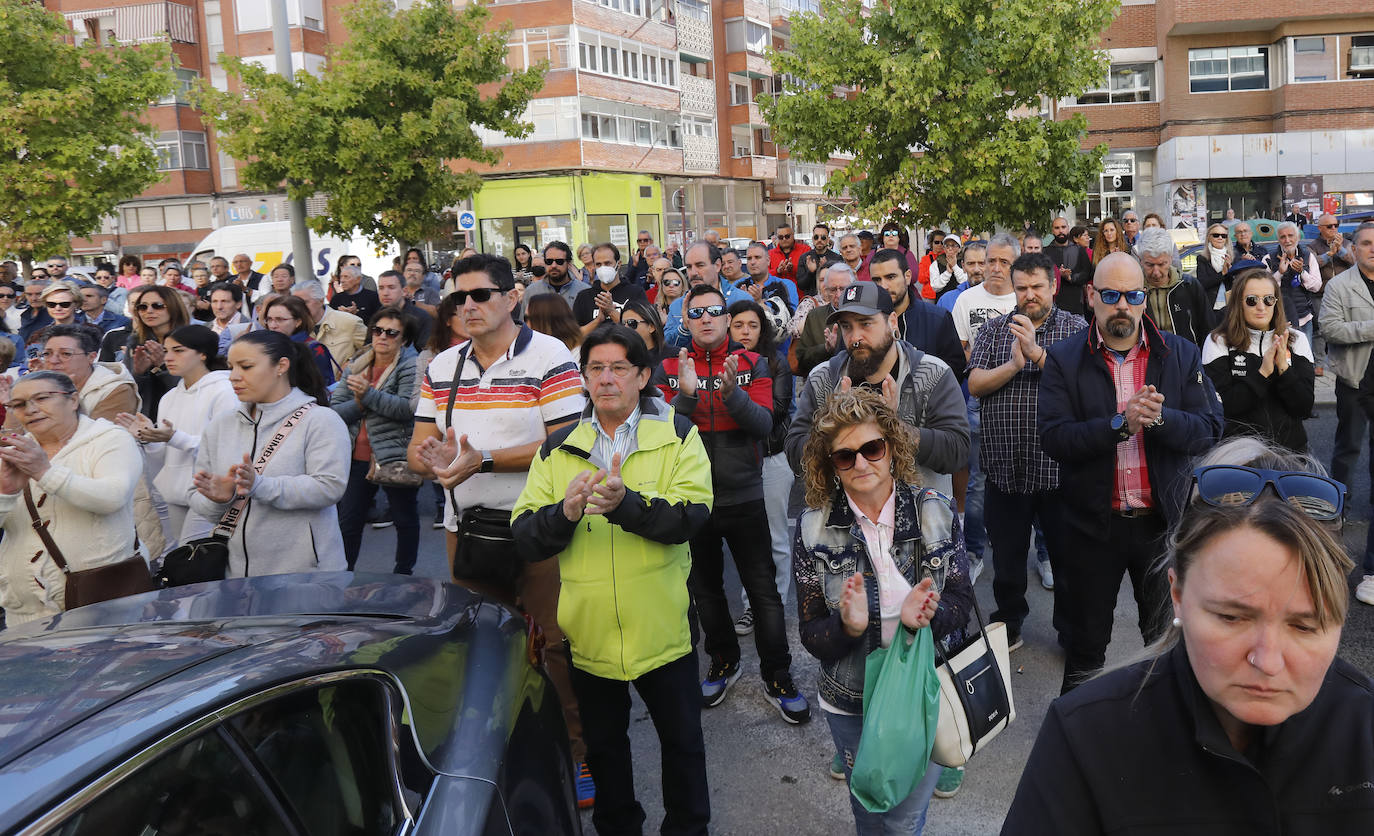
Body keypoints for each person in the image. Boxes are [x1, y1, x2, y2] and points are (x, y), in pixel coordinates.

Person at [1002, 440, 1371, 834]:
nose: (1267, 660)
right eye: (1232, 617)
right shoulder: (1086, 739)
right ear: (1177, 595)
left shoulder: (1363, 728)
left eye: (1304, 626)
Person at [513, 323, 713, 836]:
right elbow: (526, 534)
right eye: (596, 368)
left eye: (619, 368)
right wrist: (565, 513)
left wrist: (627, 506)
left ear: (643, 375)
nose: (606, 379)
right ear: (583, 378)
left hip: (663, 629)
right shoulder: (558, 449)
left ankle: (688, 828)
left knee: (684, 745)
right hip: (591, 634)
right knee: (605, 750)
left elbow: (690, 518)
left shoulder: (678, 435)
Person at [405, 252, 592, 803]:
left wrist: (481, 459)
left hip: (539, 524)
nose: (467, 306)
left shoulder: (550, 353)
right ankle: (497, 750)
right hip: (466, 524)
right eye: (457, 297)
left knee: (554, 643)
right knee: (481, 642)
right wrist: (433, 460)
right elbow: (420, 446)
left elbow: (566, 438)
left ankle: (577, 753)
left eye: (480, 294)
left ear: (512, 297)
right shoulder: (444, 367)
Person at [1038, 252, 1224, 693]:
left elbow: (1210, 429)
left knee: (1165, 644)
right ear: (1091, 296)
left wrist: (1161, 421)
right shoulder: (1064, 359)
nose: (1122, 304)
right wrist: (1120, 426)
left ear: (1145, 299)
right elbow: (1055, 439)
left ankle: (1167, 739)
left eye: (1133, 294)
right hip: (1091, 528)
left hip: (1162, 527)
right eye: (1110, 294)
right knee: (1085, 649)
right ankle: (1076, 746)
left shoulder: (1179, 353)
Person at [794, 387, 973, 835]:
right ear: (830, 466)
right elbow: (811, 631)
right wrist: (846, 627)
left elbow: (962, 602)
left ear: (891, 448)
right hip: (852, 700)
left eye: (871, 448)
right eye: (844, 456)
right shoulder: (813, 527)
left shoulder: (937, 511)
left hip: (923, 691)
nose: (861, 464)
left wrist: (926, 613)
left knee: (906, 817)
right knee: (871, 811)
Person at [651, 283, 810, 724]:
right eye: (696, 312)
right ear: (685, 320)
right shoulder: (666, 365)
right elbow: (666, 434)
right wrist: (684, 395)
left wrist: (729, 392)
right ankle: (723, 661)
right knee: (705, 590)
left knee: (763, 592)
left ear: (726, 318)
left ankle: (778, 674)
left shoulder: (752, 361)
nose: (705, 319)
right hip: (691, 498)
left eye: (714, 311)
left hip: (744, 494)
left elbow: (762, 424)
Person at [968, 252, 1086, 650]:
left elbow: (1085, 381)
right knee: (1007, 557)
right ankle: (1010, 622)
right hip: (1005, 465)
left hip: (1058, 469)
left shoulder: (1076, 328)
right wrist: (1015, 365)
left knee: (1067, 558)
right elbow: (975, 384)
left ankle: (1070, 629)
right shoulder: (994, 331)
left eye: (1037, 286)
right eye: (1022, 288)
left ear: (1054, 285)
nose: (1030, 295)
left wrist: (1037, 354)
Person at [189, 330, 348, 576]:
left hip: (305, 576)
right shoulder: (221, 424)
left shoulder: (321, 420)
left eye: (247, 366)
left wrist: (260, 485)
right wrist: (218, 498)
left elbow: (329, 487)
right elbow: (198, 496)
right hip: (234, 576)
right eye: (231, 367)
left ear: (281, 366)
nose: (233, 377)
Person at [787, 281, 969, 495]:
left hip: (920, 520)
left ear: (892, 322)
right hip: (843, 522)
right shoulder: (823, 379)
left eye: (865, 324)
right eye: (847, 326)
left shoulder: (933, 374)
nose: (855, 337)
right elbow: (794, 451)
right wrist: (833, 430)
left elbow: (957, 450)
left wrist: (896, 428)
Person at [0, 371, 144, 625]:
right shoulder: (13, 451)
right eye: (19, 404)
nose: (31, 409)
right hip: (24, 609)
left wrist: (45, 472)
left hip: (100, 600)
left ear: (73, 399)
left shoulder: (110, 439)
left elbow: (112, 498)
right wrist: (6, 493)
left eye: (42, 398)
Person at [118, 325, 237, 545]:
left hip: (209, 492)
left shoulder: (225, 390)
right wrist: (148, 437)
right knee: (177, 560)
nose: (168, 357)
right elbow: (163, 457)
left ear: (203, 354)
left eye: (178, 350)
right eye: (166, 350)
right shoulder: (170, 396)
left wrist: (173, 437)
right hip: (172, 492)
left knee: (192, 560)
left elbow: (226, 449)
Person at [330, 308, 421, 574]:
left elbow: (406, 408)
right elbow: (335, 411)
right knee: (349, 522)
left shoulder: (411, 365)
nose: (382, 337)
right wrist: (362, 403)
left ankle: (405, 576)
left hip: (395, 454)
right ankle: (343, 576)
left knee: (404, 519)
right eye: (378, 330)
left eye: (392, 333)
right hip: (356, 456)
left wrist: (367, 395)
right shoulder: (358, 363)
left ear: (404, 339)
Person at [724, 299, 793, 638]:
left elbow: (776, 411)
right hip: (735, 462)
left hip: (771, 460)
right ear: (728, 326)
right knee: (747, 542)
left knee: (776, 538)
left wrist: (734, 403)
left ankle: (774, 604)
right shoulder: (719, 363)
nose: (746, 332)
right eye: (739, 325)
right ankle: (752, 606)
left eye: (752, 325)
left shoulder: (776, 362)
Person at [1317, 221, 1374, 605]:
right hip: (1355, 382)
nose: (1372, 249)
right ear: (1353, 249)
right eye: (1366, 243)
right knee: (1347, 450)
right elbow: (1330, 328)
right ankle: (1337, 517)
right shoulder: (1340, 285)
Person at [1202, 266, 1314, 451]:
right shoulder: (1218, 341)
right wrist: (1262, 374)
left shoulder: (1296, 339)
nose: (1261, 307)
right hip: (1239, 456)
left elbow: (1303, 408)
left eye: (1269, 299)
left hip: (1290, 453)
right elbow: (1222, 408)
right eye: (1252, 300)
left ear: (1276, 302)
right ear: (1239, 303)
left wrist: (1283, 369)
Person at [868, 247, 966, 380]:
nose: (884, 286)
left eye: (891, 277)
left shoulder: (937, 319)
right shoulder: (862, 322)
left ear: (907, 277)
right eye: (877, 280)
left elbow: (954, 372)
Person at [113, 285, 190, 421]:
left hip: (181, 416)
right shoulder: (136, 341)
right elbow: (129, 389)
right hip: (145, 417)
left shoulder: (190, 340)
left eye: (158, 306)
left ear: (173, 307)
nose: (149, 311)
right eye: (143, 307)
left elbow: (190, 388)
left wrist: (163, 366)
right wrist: (139, 373)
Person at [37, 324, 138, 423]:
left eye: (66, 354)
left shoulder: (117, 390)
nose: (53, 361)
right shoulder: (38, 386)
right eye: (47, 354)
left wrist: (62, 398)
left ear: (91, 357)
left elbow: (95, 437)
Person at [1138, 227, 1213, 347]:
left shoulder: (1189, 286)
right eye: (1149, 265)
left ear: (1171, 258)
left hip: (1186, 360)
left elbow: (1208, 330)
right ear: (1140, 260)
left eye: (1162, 264)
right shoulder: (1133, 291)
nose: (1156, 272)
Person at [1311, 214, 1356, 377]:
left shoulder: (1347, 243)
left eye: (1336, 225)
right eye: (1329, 226)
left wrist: (1340, 250)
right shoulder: (1313, 245)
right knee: (1320, 329)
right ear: (1320, 228)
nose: (1334, 229)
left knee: (1347, 326)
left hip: (1345, 293)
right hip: (1321, 294)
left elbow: (1354, 261)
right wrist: (1329, 253)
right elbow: (1313, 263)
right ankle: (1319, 364)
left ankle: (1346, 361)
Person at [790, 263, 854, 376]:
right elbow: (802, 358)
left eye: (843, 289)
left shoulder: (863, 315)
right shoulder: (815, 316)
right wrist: (825, 349)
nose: (838, 295)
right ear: (826, 290)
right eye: (833, 290)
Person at [573, 243, 649, 335]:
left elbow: (643, 331)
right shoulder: (584, 297)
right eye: (598, 264)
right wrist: (598, 321)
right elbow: (575, 336)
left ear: (618, 264)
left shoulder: (636, 293)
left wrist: (611, 312)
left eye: (607, 263)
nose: (603, 268)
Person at [262, 295, 335, 390]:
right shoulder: (265, 345)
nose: (272, 325)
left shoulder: (313, 349)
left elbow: (320, 389)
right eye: (269, 319)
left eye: (280, 319)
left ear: (298, 322)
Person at [1272, 221, 1323, 348]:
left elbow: (1317, 286)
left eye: (1291, 235)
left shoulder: (1308, 256)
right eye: (1283, 237)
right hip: (1279, 320)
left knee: (1305, 357)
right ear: (1278, 239)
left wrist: (1302, 272)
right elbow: (1264, 290)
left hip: (1304, 317)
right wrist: (1279, 273)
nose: (1287, 240)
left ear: (1298, 237)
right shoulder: (1269, 257)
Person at [522, 241, 591, 315]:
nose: (553, 265)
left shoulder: (584, 291)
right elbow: (523, 323)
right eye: (549, 261)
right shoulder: (531, 291)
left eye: (559, 261)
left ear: (568, 263)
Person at [1045, 217, 1094, 316]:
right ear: (1052, 231)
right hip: (1052, 304)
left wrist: (1071, 277)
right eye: (1057, 228)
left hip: (1075, 304)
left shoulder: (1080, 250)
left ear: (1068, 228)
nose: (1061, 231)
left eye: (1063, 227)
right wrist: (1057, 274)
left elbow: (1087, 273)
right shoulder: (1045, 252)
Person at [375, 270, 432, 350]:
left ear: (404, 291)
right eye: (381, 288)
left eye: (391, 287)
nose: (385, 293)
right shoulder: (376, 316)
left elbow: (423, 351)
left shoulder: (422, 317)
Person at [1195, 223, 1234, 305]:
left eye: (1223, 236)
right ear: (1209, 237)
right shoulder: (1202, 258)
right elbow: (1202, 284)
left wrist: (1231, 271)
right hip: (1210, 304)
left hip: (1230, 303)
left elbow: (1236, 282)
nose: (1220, 238)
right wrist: (1222, 273)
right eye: (1216, 235)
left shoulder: (1232, 257)